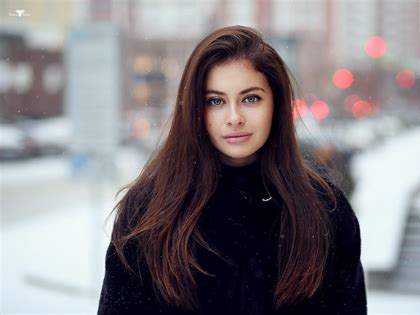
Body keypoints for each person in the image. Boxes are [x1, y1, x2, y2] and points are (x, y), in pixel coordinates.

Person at [98, 25, 367, 314]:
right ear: (194, 109)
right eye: (215, 101)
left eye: (251, 98)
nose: (234, 117)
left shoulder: (324, 211)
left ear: (276, 103)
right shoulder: (148, 211)